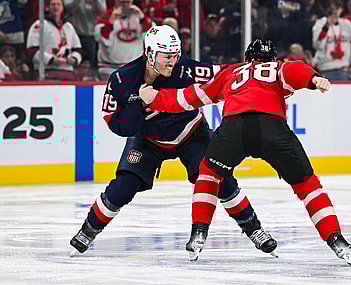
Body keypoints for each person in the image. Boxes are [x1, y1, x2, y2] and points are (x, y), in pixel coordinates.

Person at [140, 39, 351, 265]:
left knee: (208, 174)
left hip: (233, 128)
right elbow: (294, 69)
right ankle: (337, 241)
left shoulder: (232, 71)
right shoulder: (277, 67)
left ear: (248, 58)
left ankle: (198, 233)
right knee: (308, 186)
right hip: (272, 128)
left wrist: (155, 99)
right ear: (273, 57)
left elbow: (192, 97)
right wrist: (314, 79)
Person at [69, 26, 277, 257]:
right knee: (123, 188)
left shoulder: (187, 69)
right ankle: (88, 231)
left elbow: (225, 73)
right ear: (150, 54)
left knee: (219, 179)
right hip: (147, 140)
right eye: (167, 56)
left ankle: (254, 229)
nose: (173, 61)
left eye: (176, 55)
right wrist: (139, 103)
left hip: (191, 134)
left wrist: (257, 67)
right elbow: (117, 126)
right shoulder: (121, 80)